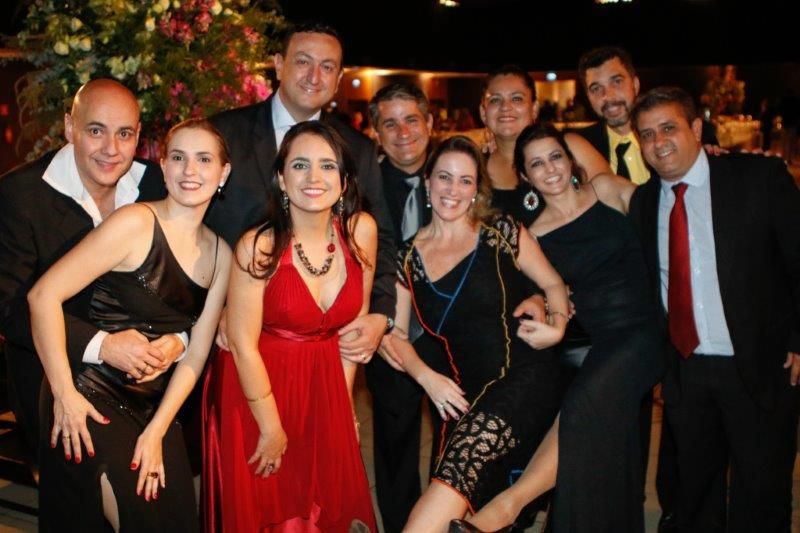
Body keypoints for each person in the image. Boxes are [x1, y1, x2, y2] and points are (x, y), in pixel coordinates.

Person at [455, 123, 664, 533]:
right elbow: (540, 292)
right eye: (536, 164)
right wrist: (544, 309)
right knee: (602, 434)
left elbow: (664, 202)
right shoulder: (535, 233)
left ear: (570, 161)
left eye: (555, 157)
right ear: (526, 176)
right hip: (599, 343)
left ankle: (504, 511)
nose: (549, 169)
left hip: (643, 332)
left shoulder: (606, 191)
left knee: (580, 408)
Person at [27, 118, 232, 532]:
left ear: (223, 173)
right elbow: (42, 296)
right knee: (142, 519)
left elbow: (196, 353)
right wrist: (65, 394)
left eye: (204, 159)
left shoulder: (221, 255)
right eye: (178, 158)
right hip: (88, 393)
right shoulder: (134, 222)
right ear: (163, 166)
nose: (190, 171)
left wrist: (158, 430)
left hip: (155, 407)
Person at [628, 87, 800, 533]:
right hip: (687, 372)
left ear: (696, 128)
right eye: (647, 134)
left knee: (761, 493)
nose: (658, 142)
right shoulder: (644, 203)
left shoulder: (758, 178)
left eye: (668, 128)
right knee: (695, 496)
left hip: (760, 364)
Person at [380, 135, 568, 532]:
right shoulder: (406, 258)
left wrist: (557, 328)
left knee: (454, 476)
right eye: (444, 177)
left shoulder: (501, 231)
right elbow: (391, 336)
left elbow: (553, 284)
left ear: (476, 189)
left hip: (524, 376)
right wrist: (427, 378)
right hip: (461, 394)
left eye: (465, 180)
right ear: (427, 181)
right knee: (454, 510)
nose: (453, 189)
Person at [203, 121, 378, 532]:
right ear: (282, 179)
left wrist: (343, 407)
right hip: (258, 387)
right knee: (270, 509)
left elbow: (350, 338)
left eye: (327, 166)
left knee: (326, 508)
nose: (314, 177)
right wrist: (270, 427)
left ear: (345, 180)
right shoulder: (259, 246)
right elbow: (242, 344)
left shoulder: (361, 232)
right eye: (300, 165)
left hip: (325, 385)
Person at [0, 79, 183, 462]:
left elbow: (185, 282)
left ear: (138, 136)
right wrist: (105, 346)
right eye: (96, 131)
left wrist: (177, 340)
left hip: (147, 382)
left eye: (124, 134)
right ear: (70, 127)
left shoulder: (156, 185)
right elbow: (11, 310)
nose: (111, 149)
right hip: (54, 376)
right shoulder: (19, 195)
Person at [207, 22, 396, 363]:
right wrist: (215, 307)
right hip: (225, 339)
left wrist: (381, 314)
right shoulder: (223, 135)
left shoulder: (357, 149)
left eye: (327, 67)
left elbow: (379, 237)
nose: (314, 76)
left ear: (338, 78)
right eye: (303, 61)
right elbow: (194, 230)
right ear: (279, 65)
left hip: (320, 347)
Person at [366, 81, 435, 530]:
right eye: (389, 123)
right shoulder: (362, 185)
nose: (403, 132)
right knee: (395, 439)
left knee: (458, 433)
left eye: (412, 119)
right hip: (390, 328)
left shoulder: (457, 171)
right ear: (375, 132)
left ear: (429, 122)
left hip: (453, 327)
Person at [479, 65, 610, 227]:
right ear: (483, 112)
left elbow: (615, 200)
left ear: (534, 109)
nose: (505, 107)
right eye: (495, 100)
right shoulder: (475, 169)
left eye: (517, 98)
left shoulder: (568, 147)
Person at [575, 46, 720, 185]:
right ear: (588, 96)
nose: (608, 95)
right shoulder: (581, 147)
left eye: (617, 81)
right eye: (596, 88)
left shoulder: (693, 137)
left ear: (635, 84)